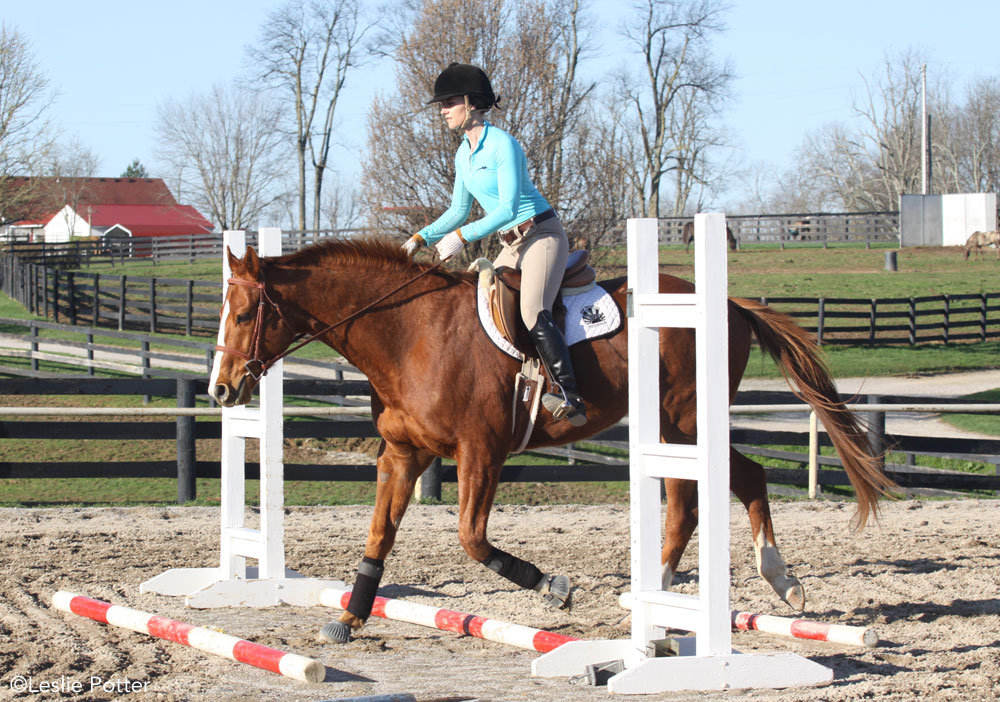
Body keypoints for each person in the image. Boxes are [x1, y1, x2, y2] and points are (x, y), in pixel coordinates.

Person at [401, 63, 586, 427]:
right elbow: (458, 210)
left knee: (532, 309)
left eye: (449, 102)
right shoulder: (463, 154)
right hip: (511, 243)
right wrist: (421, 238)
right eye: (442, 104)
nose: (443, 110)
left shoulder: (503, 144)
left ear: (470, 103)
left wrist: (463, 237)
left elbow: (509, 207)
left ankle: (570, 395)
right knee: (480, 307)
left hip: (541, 234)